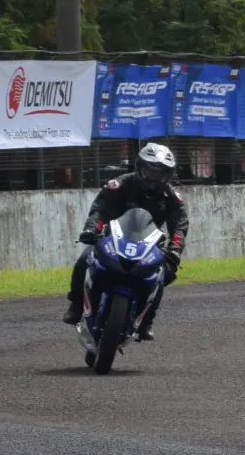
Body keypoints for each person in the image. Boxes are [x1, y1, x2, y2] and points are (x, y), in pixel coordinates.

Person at [63, 141, 191, 338]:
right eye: (151, 171)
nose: (155, 177)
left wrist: (175, 249)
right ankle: (76, 305)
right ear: (140, 167)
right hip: (112, 240)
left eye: (160, 173)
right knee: (84, 259)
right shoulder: (121, 185)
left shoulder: (171, 197)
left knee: (162, 274)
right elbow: (100, 209)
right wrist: (91, 229)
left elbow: (179, 227)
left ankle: (146, 321)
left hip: (148, 247)